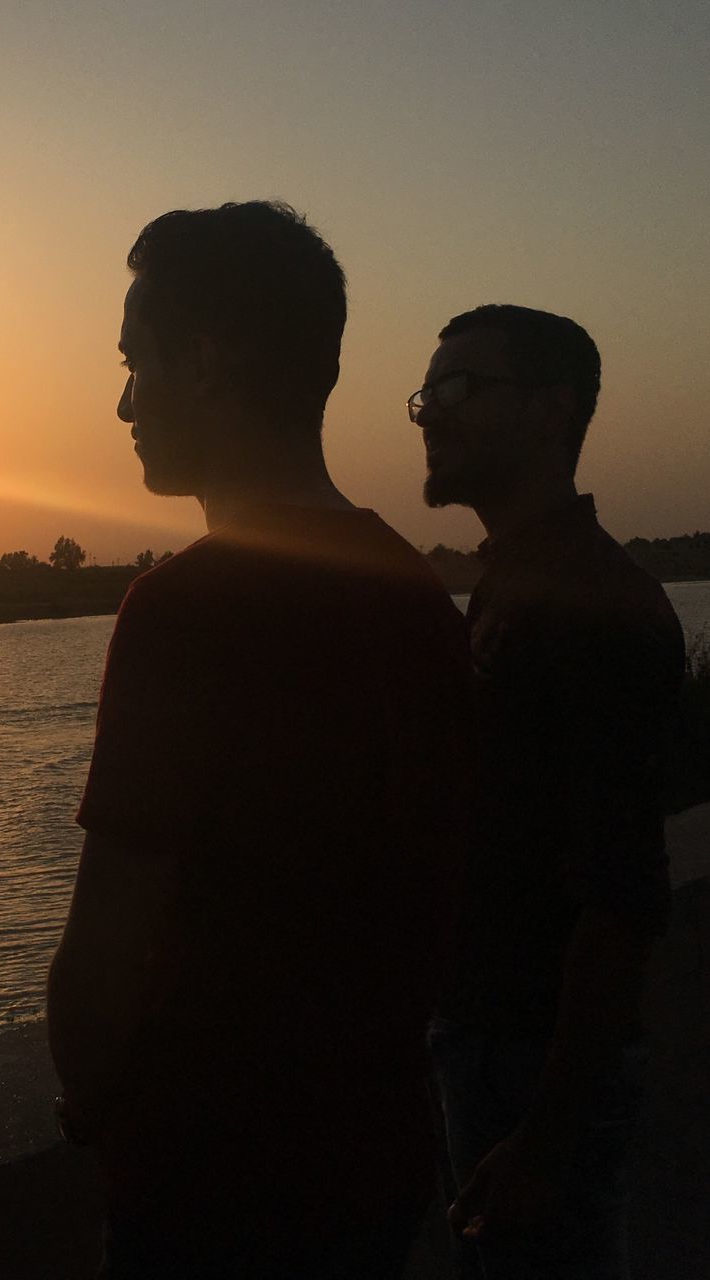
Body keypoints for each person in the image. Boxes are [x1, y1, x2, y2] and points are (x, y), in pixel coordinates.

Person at [48, 201, 473, 1279]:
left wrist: (91, 1107)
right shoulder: (414, 591)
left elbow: (110, 941)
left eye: (135, 363)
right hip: (373, 1163)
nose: (122, 402)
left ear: (208, 359)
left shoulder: (186, 609)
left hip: (215, 1185)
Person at [409, 304, 686, 1279]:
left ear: (548, 411)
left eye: (455, 390)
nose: (427, 416)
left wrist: (545, 1137)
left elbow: (619, 894)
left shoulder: (590, 603)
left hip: (532, 1066)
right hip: (489, 1045)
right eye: (424, 395)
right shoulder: (515, 585)